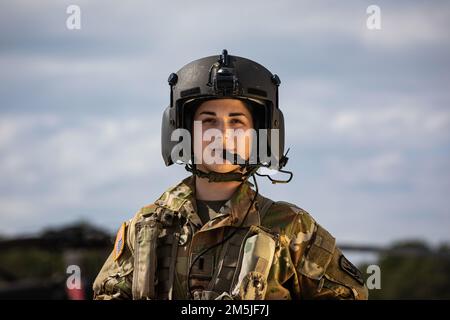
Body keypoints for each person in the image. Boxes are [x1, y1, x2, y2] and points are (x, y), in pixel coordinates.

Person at [93, 50, 368, 300]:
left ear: (258, 136)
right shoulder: (146, 228)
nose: (222, 134)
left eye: (236, 121)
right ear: (184, 133)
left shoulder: (291, 229)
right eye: (208, 120)